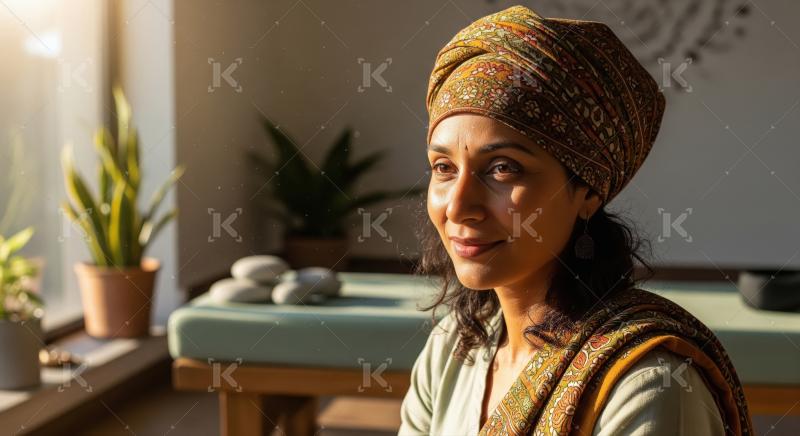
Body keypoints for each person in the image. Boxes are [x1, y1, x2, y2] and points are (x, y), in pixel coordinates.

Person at [399, 5, 753, 435]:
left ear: (587, 192)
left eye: (503, 168)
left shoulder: (647, 385)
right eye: (443, 167)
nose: (458, 206)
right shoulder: (454, 349)